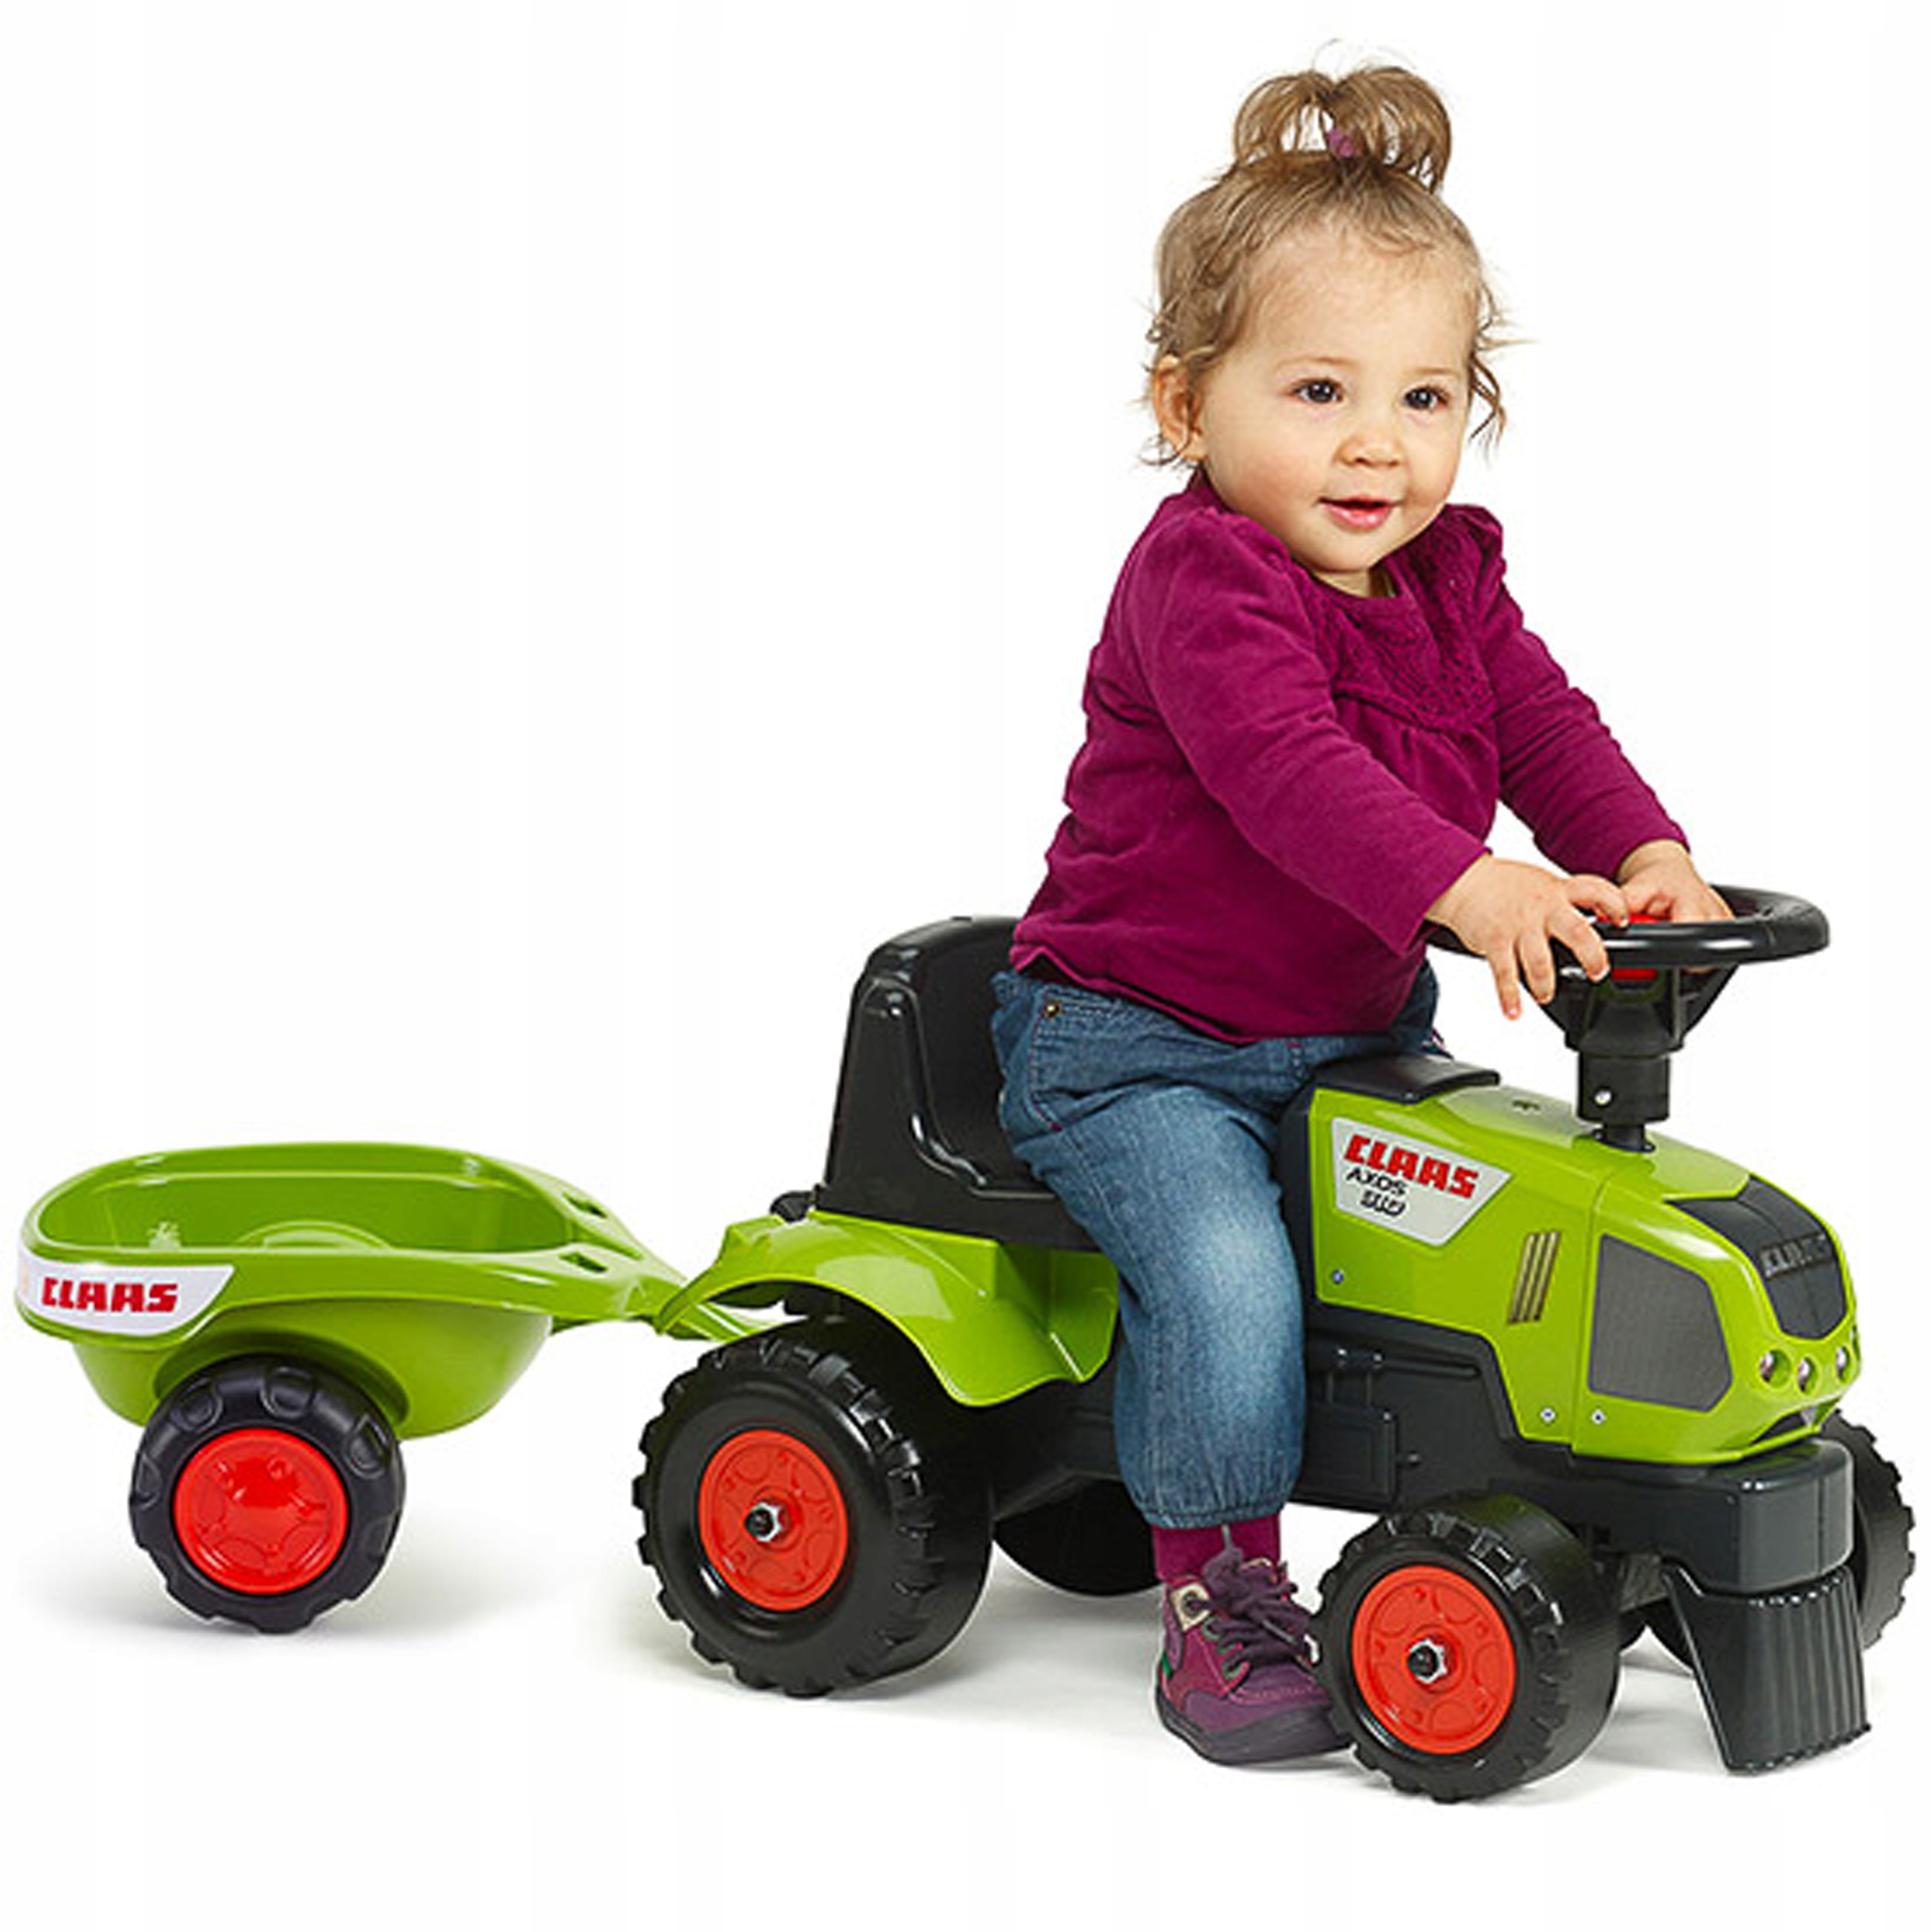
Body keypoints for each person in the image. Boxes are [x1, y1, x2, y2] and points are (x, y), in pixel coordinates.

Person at [990, 63, 1728, 1767]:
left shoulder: (1451, 577)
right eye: (1318, 390)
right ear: (1186, 404)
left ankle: (1609, 1511)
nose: (1377, 442)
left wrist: (1647, 849)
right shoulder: (1202, 579)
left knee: (1509, 1242)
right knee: (1229, 1278)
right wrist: (1470, 884)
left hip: (1349, 1034)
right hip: (1137, 1044)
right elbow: (1288, 772)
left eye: (1423, 394)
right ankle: (1219, 1595)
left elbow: (1544, 725)